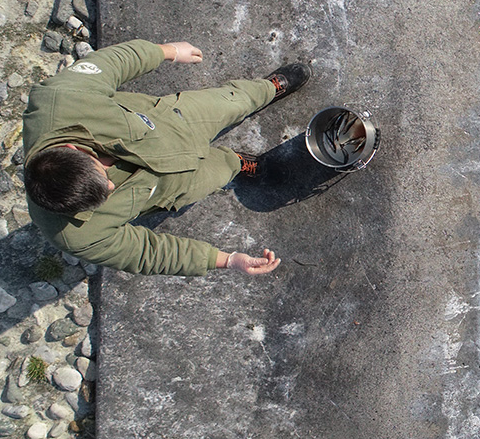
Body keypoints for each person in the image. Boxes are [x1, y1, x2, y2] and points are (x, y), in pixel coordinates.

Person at [22, 39, 312, 276]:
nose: (112, 187)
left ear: (72, 150)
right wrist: (229, 259)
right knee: (221, 171)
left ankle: (266, 89)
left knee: (233, 100)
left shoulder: (59, 98)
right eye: (106, 194)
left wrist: (168, 52)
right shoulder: (75, 237)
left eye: (103, 174)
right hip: (174, 186)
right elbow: (148, 254)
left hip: (173, 123)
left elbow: (112, 62)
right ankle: (237, 163)